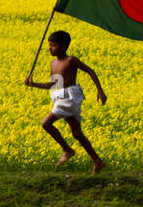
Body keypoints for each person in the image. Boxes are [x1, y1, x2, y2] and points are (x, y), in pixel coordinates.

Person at [24, 30, 107, 175]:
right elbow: (53, 84)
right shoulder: (53, 63)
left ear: (64, 47)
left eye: (53, 45)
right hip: (60, 97)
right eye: (49, 45)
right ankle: (97, 161)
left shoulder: (71, 60)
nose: (50, 48)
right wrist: (33, 84)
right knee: (76, 133)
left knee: (46, 124)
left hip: (69, 99)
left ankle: (67, 150)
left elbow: (91, 71)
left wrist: (100, 91)